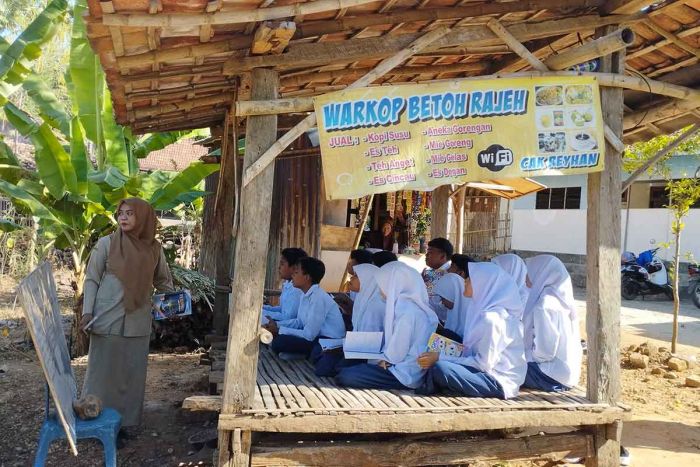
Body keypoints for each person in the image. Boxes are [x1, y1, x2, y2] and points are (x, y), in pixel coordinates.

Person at [81, 198, 174, 442]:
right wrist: (87, 313)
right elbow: (91, 279)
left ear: (143, 218)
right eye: (120, 213)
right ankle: (94, 421)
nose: (123, 217)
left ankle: (122, 425)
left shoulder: (154, 249)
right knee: (103, 375)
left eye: (130, 213)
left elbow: (163, 281)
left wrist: (171, 303)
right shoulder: (106, 244)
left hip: (138, 321)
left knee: (131, 375)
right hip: (105, 319)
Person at [417, 262, 526, 399]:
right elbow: (469, 350)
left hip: (496, 379)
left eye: (470, 279)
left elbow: (483, 365)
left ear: (483, 284)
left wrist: (440, 357)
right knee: (438, 346)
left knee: (441, 368)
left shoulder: (493, 319)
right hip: (479, 370)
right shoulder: (477, 309)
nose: (465, 281)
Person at [335, 262, 439, 390]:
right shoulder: (404, 307)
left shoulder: (408, 312)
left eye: (383, 284)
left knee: (346, 375)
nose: (379, 289)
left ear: (396, 285)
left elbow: (397, 352)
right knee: (343, 369)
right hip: (395, 364)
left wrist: (382, 361)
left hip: (403, 372)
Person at [265, 257, 345, 375]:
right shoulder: (305, 294)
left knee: (279, 342)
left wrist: (280, 330)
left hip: (327, 341)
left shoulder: (318, 298)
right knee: (278, 339)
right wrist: (277, 324)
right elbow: (299, 322)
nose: (293, 275)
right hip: (316, 338)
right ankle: (301, 353)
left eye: (296, 272)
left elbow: (309, 335)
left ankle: (304, 354)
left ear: (307, 277)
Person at [521, 255, 582, 392]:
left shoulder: (545, 304)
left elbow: (544, 353)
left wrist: (521, 356)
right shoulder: (560, 298)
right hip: (566, 374)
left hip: (549, 375)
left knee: (501, 368)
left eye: (528, 273)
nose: (526, 279)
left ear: (540, 273)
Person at [262, 248, 307, 322]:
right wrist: (262, 308)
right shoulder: (288, 284)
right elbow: (282, 309)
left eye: (282, 264)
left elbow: (288, 317)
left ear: (294, 268)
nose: (279, 267)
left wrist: (261, 312)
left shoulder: (297, 289)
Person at [422, 237, 454, 321]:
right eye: (427, 252)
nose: (426, 255)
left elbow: (443, 308)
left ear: (442, 256)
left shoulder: (450, 275)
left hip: (442, 324)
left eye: (430, 252)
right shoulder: (432, 272)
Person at [433, 273, 469, 342]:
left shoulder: (473, 318)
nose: (442, 302)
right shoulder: (452, 313)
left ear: (452, 295)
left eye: (443, 298)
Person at [348, 263, 385, 333]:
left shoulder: (375, 305)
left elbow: (369, 338)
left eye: (356, 276)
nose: (351, 278)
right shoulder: (363, 297)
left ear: (367, 279)